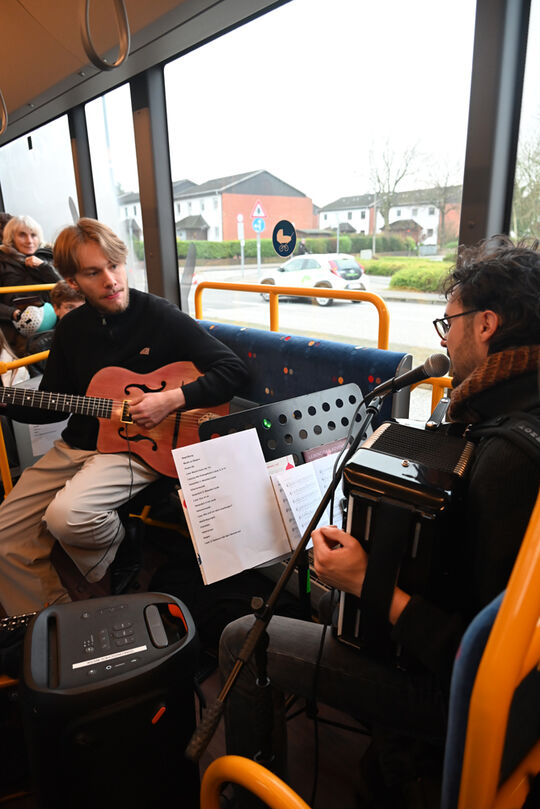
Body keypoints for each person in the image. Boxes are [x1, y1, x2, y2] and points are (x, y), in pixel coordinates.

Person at [219, 235, 540, 807]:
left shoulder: (512, 460)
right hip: (428, 628)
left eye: (451, 323)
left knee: (244, 638)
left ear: (487, 324)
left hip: (453, 692)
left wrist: (371, 586)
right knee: (313, 585)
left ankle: (250, 795)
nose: (446, 338)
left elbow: (478, 659)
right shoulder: (505, 406)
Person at [0, 218, 249, 616]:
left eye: (114, 266)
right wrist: (5, 401)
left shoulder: (159, 315)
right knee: (4, 534)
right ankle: (49, 622)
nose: (111, 280)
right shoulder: (71, 329)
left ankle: (114, 556)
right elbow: (52, 400)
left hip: (137, 448)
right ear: (72, 279)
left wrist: (172, 399)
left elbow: (233, 371)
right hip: (78, 444)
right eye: (93, 273)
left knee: (67, 517)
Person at [0, 215, 59, 356]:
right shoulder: (2, 262)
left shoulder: (48, 256)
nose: (29, 241)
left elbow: (65, 288)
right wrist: (13, 314)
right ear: (11, 237)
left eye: (33, 235)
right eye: (22, 235)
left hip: (56, 326)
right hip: (18, 332)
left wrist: (43, 267)